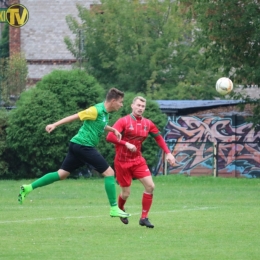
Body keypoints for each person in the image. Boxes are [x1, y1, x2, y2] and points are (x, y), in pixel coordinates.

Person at [18, 88, 130, 219]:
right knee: (109, 173)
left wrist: (113, 130)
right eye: (120, 102)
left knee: (61, 174)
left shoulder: (105, 113)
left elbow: (100, 124)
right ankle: (114, 208)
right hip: (83, 146)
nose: (121, 105)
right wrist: (54, 124)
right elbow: (76, 116)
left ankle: (28, 188)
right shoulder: (96, 110)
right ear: (113, 101)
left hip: (77, 145)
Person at [106, 96, 175, 228]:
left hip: (137, 160)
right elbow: (109, 136)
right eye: (138, 105)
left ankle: (144, 217)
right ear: (132, 106)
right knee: (126, 193)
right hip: (122, 161)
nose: (140, 108)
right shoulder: (124, 121)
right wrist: (125, 143)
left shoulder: (147, 123)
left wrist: (168, 153)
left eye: (142, 106)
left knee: (150, 186)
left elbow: (158, 138)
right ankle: (120, 209)